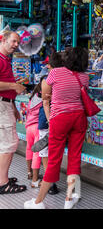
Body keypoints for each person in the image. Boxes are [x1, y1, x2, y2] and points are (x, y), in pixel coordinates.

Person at [24, 46, 90, 209]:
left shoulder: (55, 73)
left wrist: (54, 96)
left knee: (54, 160)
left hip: (60, 118)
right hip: (79, 117)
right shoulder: (85, 77)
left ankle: (38, 202)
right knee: (74, 158)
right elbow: (77, 95)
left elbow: (47, 94)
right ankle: (69, 199)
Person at [32, 52, 65, 195]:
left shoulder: (46, 80)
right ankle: (50, 181)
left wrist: (50, 120)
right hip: (56, 119)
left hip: (48, 119)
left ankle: (50, 181)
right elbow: (47, 102)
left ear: (49, 65)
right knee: (52, 150)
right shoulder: (66, 78)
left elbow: (45, 103)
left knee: (46, 151)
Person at [0, 31, 27, 194]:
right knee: (9, 144)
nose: (16, 45)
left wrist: (14, 107)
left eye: (18, 42)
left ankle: (2, 177)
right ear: (3, 40)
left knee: (4, 143)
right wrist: (14, 86)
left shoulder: (5, 60)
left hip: (6, 105)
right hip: (2, 107)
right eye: (14, 41)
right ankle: (3, 183)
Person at [25, 79, 44, 189]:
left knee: (29, 149)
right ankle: (35, 180)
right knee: (37, 153)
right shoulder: (45, 98)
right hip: (38, 128)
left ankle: (29, 173)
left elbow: (28, 111)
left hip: (29, 127)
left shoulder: (33, 97)